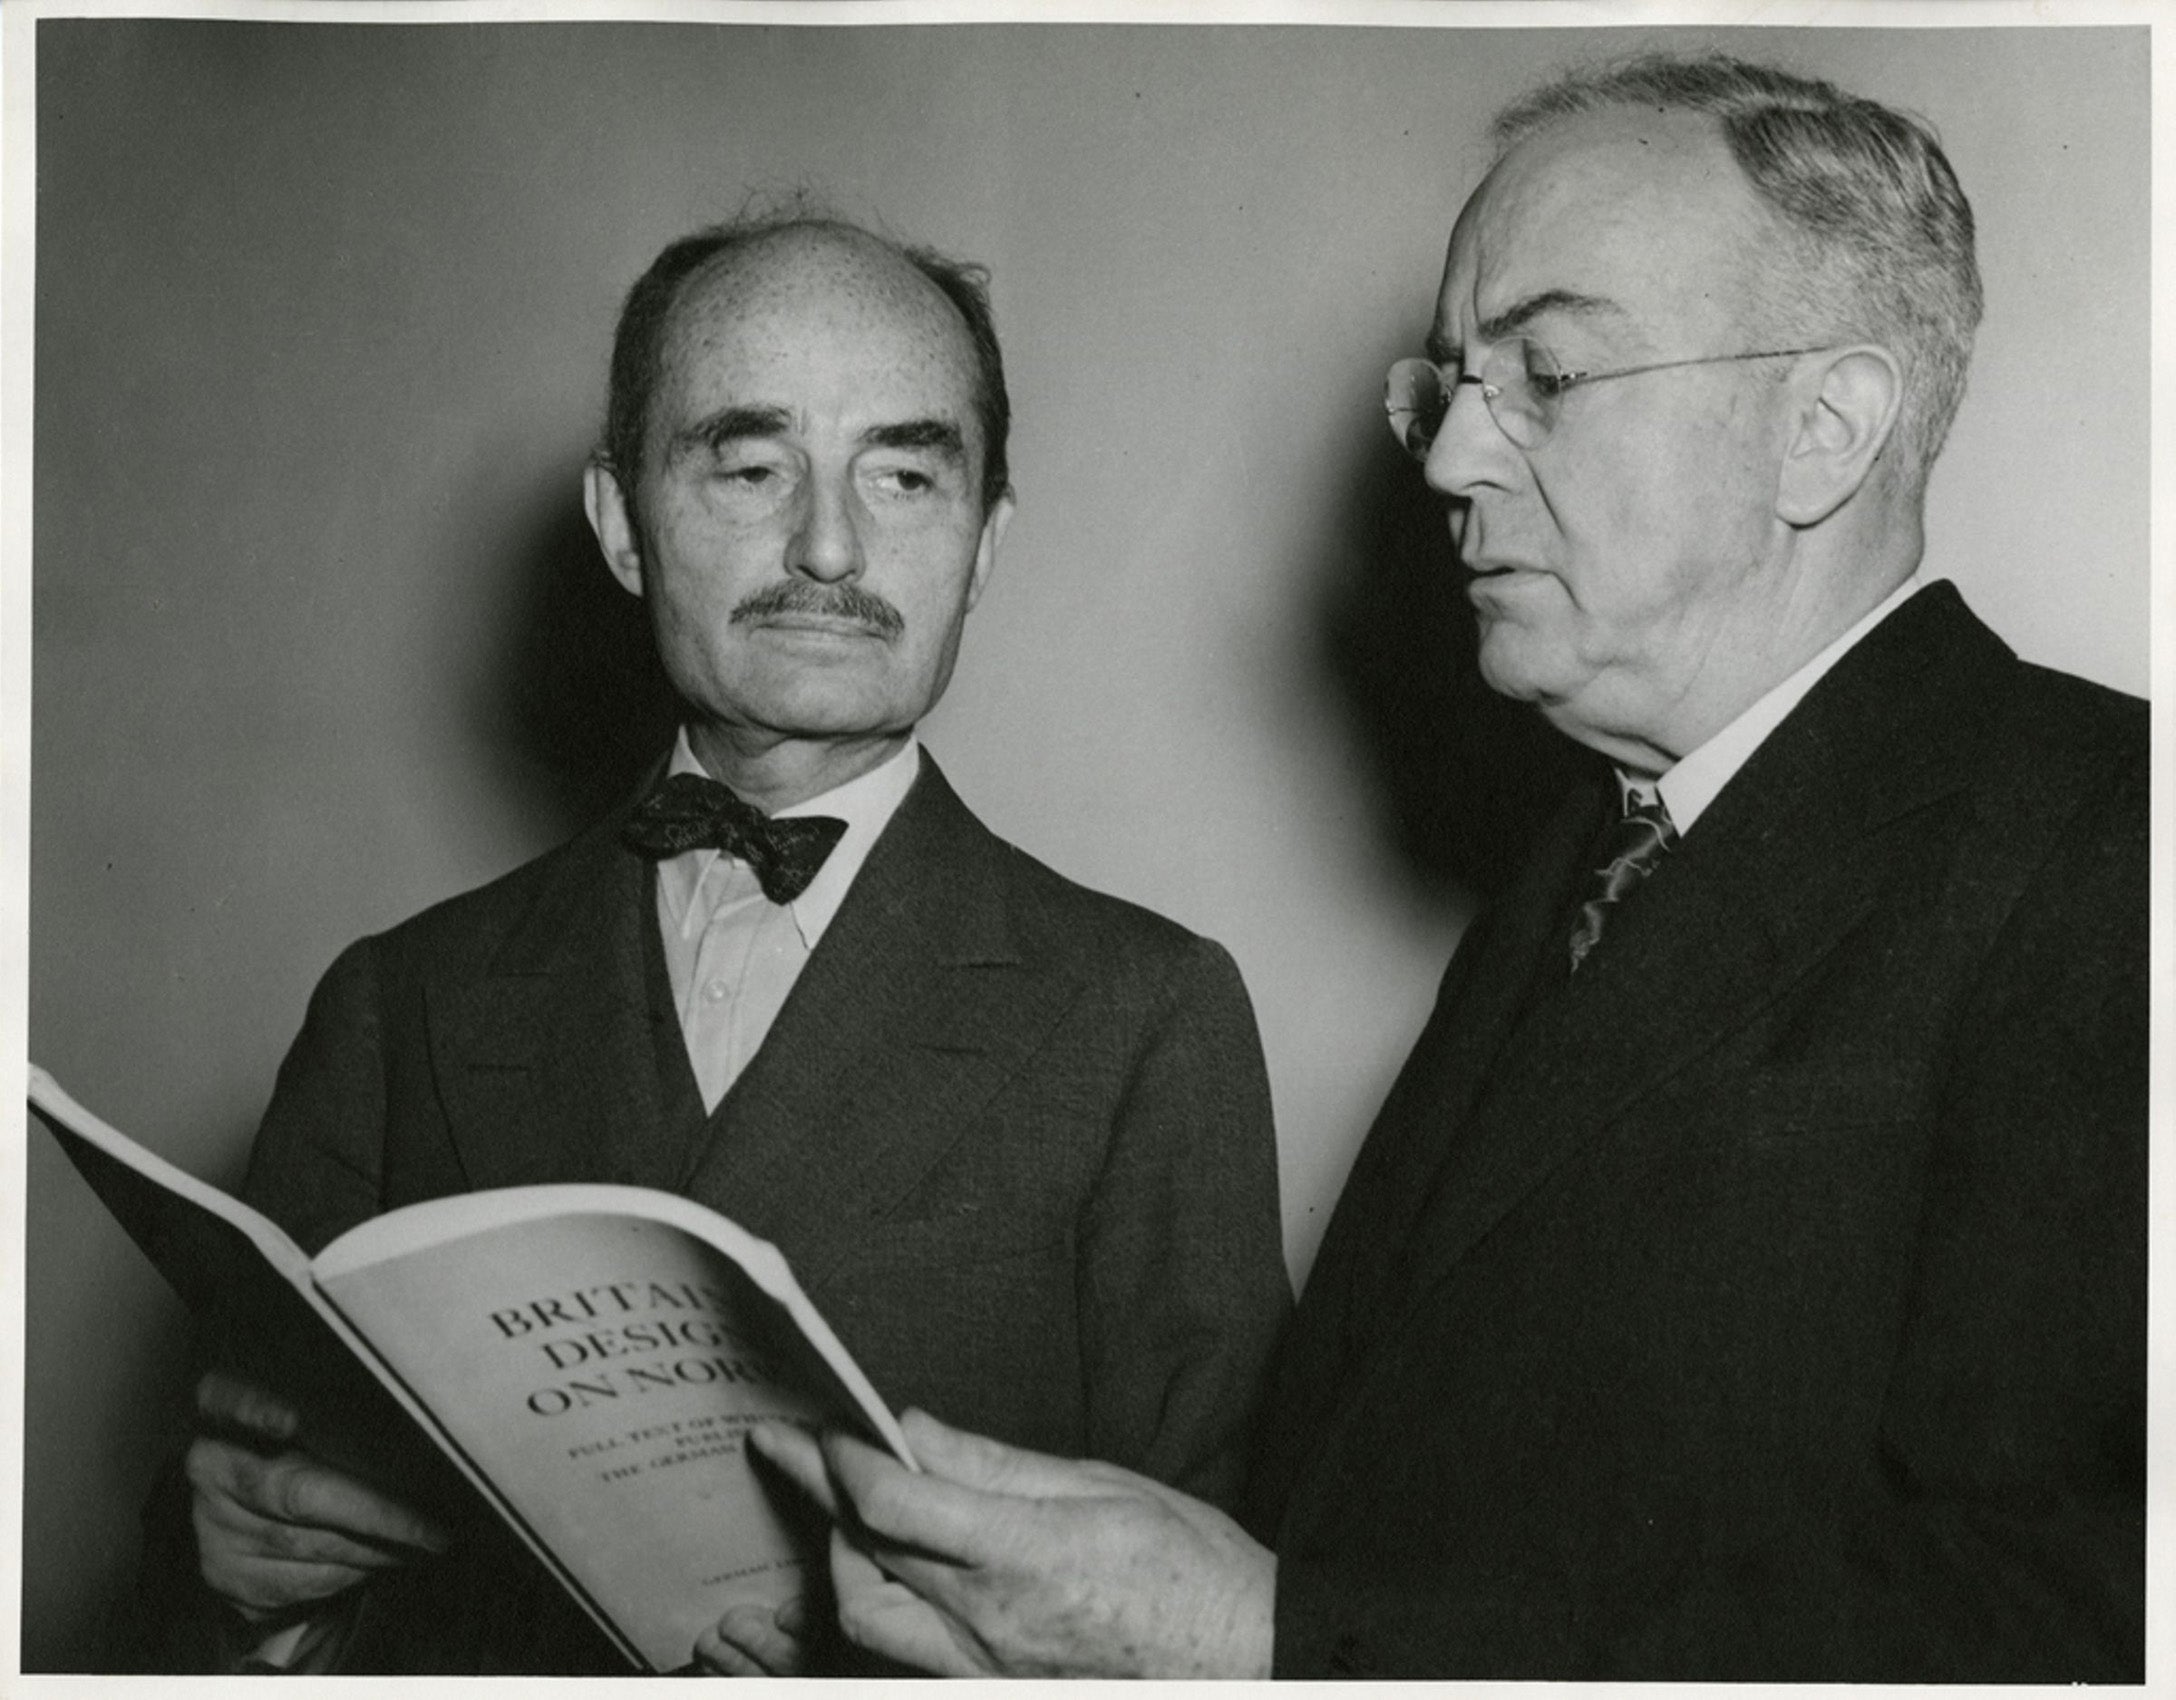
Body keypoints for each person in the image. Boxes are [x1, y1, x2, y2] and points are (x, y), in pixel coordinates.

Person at [731, 53, 2148, 1683]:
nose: (1450, 458)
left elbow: (2079, 1632)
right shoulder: (1592, 864)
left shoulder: (2111, 846)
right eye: (1451, 384)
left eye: (1545, 372)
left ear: (1822, 429)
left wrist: (1265, 1636)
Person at [130, 212, 1291, 1674]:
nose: (827, 544)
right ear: (621, 524)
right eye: (750, 467)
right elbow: (200, 1572)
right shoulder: (399, 1004)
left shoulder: (1147, 1017)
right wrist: (260, 1591)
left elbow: (1223, 1621)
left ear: (986, 542)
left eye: (907, 473)